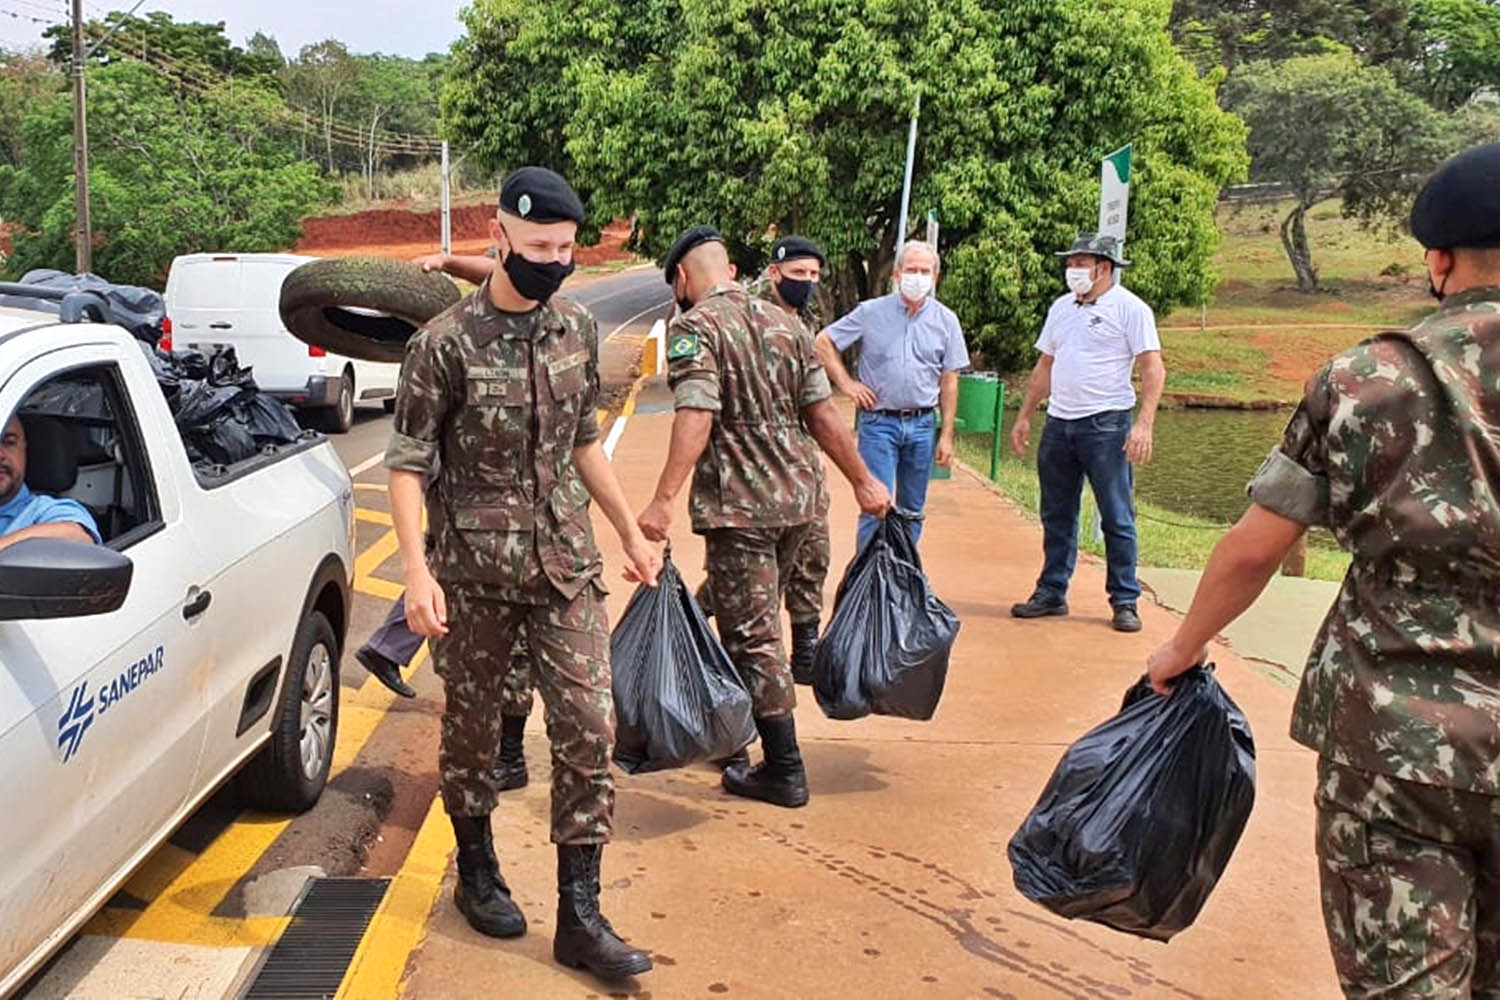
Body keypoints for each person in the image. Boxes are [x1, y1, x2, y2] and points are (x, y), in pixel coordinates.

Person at [1146, 142, 1500, 999]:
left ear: (1438, 260)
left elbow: (1256, 545)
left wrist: (1182, 649)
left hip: (1393, 743)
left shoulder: (1365, 380)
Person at [386, 166, 661, 983]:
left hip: (564, 565)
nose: (555, 262)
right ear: (499, 237)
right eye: (540, 248)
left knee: (589, 725)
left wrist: (630, 530)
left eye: (566, 249)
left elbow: (584, 440)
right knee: (473, 734)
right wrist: (415, 572)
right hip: (472, 575)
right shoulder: (443, 344)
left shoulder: (575, 327)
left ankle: (581, 916)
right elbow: (406, 463)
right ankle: (477, 871)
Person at [637, 225, 891, 809]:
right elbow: (823, 415)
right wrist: (862, 480)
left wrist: (664, 499)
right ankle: (733, 732)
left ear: (682, 278)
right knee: (745, 613)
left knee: (753, 637)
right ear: (729, 270)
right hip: (799, 503)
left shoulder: (696, 328)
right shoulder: (787, 325)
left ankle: (783, 767)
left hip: (742, 509)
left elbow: (696, 413)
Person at [1008, 233, 1164, 633]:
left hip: (1106, 425)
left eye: (1081, 264)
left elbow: (1152, 367)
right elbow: (1045, 365)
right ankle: (1052, 591)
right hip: (1059, 423)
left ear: (1103, 268)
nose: (1073, 271)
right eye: (1070, 264)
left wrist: (1144, 422)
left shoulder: (1131, 309)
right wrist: (1025, 415)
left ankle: (1125, 599)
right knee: (1056, 513)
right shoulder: (1061, 308)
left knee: (1116, 514)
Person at [697, 235, 833, 687]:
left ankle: (805, 645)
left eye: (813, 275)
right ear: (774, 273)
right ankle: (694, 625)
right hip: (751, 478)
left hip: (800, 467)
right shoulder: (747, 319)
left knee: (812, 555)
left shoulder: (805, 321)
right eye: (798, 274)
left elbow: (816, 407)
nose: (807, 283)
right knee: (746, 582)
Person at [814, 240, 968, 550]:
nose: (917, 277)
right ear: (897, 275)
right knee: (875, 503)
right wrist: (847, 384)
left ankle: (903, 571)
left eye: (924, 271)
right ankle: (869, 573)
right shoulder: (871, 312)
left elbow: (950, 379)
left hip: (922, 425)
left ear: (935, 277)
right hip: (879, 424)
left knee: (912, 510)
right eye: (911, 270)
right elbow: (823, 342)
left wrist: (947, 435)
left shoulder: (946, 321)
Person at [0, 414, 99, 548]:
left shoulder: (45, 511)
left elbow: (78, 537)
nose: (0, 454)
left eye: (9, 442)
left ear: (24, 449)